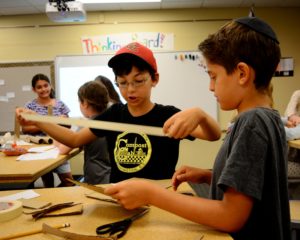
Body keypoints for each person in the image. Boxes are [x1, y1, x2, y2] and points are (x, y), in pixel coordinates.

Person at [103, 17, 291, 240]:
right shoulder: (268, 118)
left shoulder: (251, 123)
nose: (210, 86)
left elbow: (230, 216)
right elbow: (256, 183)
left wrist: (150, 193)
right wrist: (209, 176)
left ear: (242, 73)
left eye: (213, 76)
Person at [17, 42, 221, 183]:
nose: (130, 90)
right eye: (122, 83)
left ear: (155, 79)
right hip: (120, 195)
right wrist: (38, 120)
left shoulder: (168, 116)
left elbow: (213, 136)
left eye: (138, 81)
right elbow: (74, 140)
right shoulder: (114, 113)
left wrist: (200, 114)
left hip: (161, 196)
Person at [23, 73, 74, 187]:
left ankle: (60, 199)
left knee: (68, 181)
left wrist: (42, 123)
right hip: (39, 150)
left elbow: (68, 125)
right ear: (34, 89)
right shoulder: (30, 106)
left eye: (46, 85)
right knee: (48, 183)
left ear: (50, 86)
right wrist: (53, 122)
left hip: (59, 148)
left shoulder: (60, 105)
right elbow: (25, 128)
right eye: (39, 87)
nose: (43, 89)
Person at [55, 81, 111, 184]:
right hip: (112, 177)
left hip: (96, 180)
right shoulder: (111, 120)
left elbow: (62, 150)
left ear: (84, 103)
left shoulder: (87, 126)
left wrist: (58, 126)